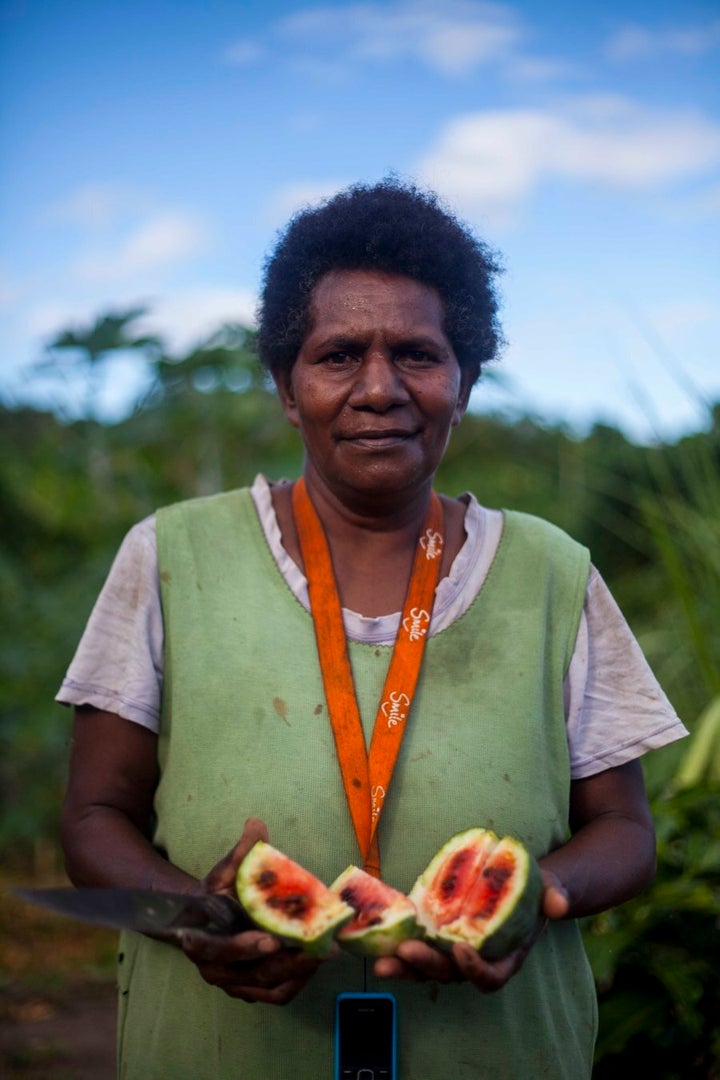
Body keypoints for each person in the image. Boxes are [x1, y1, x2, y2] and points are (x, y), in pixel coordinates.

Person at [57, 179, 687, 1079]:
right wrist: (192, 915)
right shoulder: (167, 556)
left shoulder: (556, 574)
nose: (380, 388)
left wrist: (526, 901)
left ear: (463, 381)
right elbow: (91, 816)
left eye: (419, 355)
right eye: (339, 354)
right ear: (287, 385)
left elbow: (626, 833)